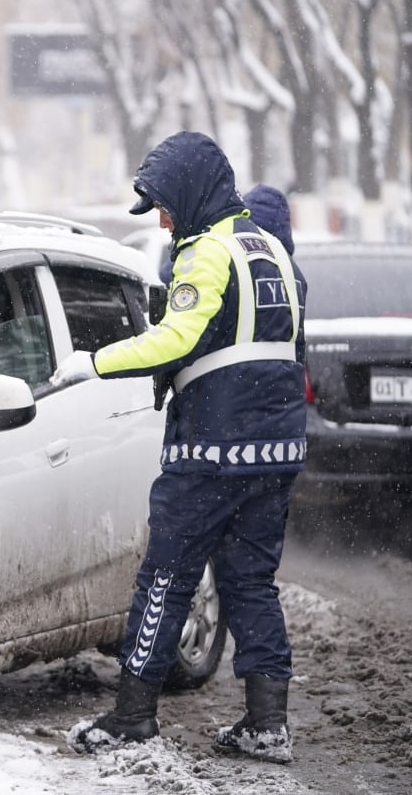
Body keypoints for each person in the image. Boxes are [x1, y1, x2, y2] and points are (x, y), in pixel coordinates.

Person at [52, 131, 307, 764]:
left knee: (164, 578)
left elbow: (176, 339)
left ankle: (133, 716)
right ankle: (267, 722)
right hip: (274, 451)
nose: (164, 221)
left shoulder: (206, 250)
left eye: (165, 206)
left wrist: (94, 363)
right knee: (252, 583)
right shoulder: (270, 248)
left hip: (212, 450)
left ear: (192, 193)